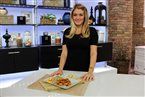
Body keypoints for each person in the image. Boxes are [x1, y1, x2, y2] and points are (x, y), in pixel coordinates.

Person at [50, 3, 98, 81]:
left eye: (80, 15)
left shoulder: (92, 31)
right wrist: (60, 69)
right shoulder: (67, 32)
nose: (77, 17)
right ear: (72, 17)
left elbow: (93, 53)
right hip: (67, 71)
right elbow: (64, 53)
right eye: (75, 15)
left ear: (85, 16)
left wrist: (90, 71)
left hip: (84, 72)